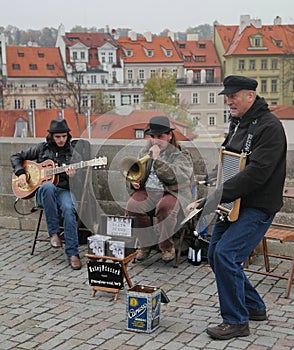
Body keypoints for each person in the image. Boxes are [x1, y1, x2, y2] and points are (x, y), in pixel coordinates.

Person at [191, 75, 287, 340]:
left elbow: (257, 173)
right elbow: (229, 159)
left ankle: (236, 321)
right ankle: (255, 307)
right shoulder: (239, 123)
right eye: (227, 95)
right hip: (233, 203)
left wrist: (217, 195)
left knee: (226, 255)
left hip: (256, 206)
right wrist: (213, 179)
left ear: (250, 96)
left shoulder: (270, 127)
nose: (228, 100)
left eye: (234, 95)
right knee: (215, 255)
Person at [11, 119, 83, 270]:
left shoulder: (72, 153)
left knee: (69, 209)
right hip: (43, 193)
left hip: (64, 190)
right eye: (58, 137)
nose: (61, 140)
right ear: (51, 136)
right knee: (48, 187)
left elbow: (80, 182)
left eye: (64, 136)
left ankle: (73, 253)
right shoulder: (42, 149)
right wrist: (21, 173)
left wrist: (74, 176)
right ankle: (54, 232)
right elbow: (16, 157)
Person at [126, 115, 194, 262]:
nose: (156, 140)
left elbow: (176, 177)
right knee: (132, 206)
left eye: (160, 136)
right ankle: (146, 244)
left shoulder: (181, 153)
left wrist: (157, 160)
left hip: (172, 192)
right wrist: (133, 182)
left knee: (164, 208)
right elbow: (134, 171)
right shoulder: (146, 150)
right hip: (149, 191)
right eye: (153, 136)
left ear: (169, 135)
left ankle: (167, 246)